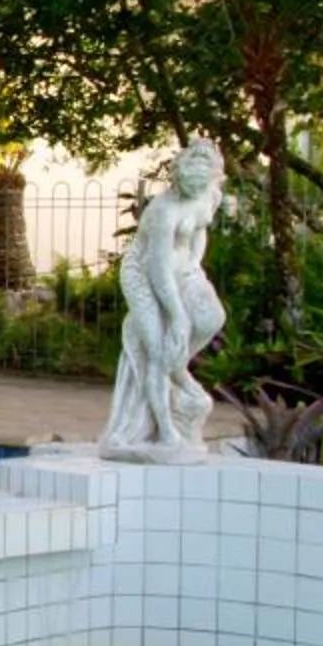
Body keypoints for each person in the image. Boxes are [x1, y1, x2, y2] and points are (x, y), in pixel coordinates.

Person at [102, 140, 226, 460]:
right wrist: (176, 315)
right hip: (142, 276)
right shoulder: (162, 211)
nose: (192, 193)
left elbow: (199, 230)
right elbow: (156, 268)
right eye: (186, 187)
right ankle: (165, 429)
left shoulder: (208, 196)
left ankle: (177, 372)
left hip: (180, 269)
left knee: (212, 318)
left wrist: (194, 266)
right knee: (157, 348)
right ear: (178, 179)